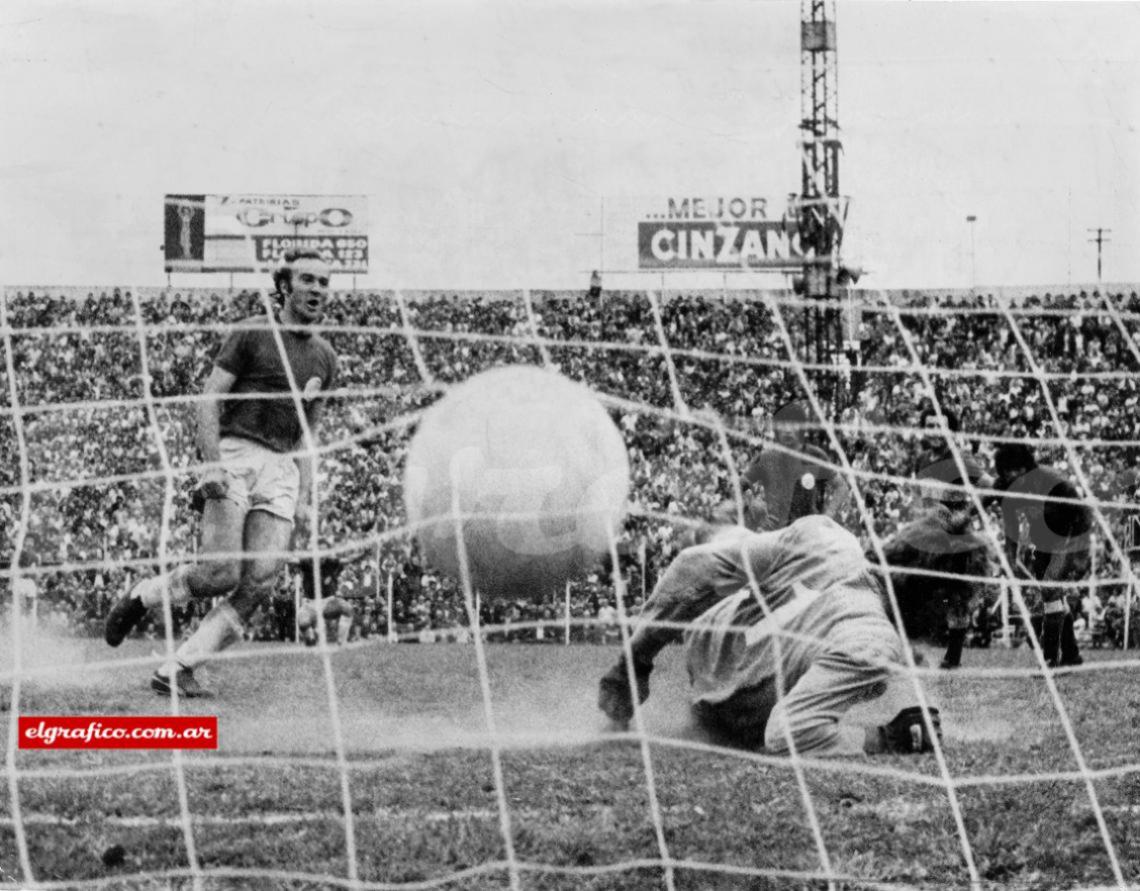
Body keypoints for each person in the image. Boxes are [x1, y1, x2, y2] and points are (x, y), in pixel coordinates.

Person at [104, 250, 339, 696]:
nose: (317, 289)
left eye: (324, 282)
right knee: (222, 574)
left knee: (262, 581)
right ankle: (145, 595)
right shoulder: (252, 333)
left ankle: (178, 669)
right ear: (285, 286)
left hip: (283, 469)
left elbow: (309, 432)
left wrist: (304, 492)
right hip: (236, 454)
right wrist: (210, 462)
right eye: (307, 279)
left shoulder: (326, 358)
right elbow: (209, 399)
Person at [597, 512, 943, 757]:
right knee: (734, 542)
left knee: (737, 543)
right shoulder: (876, 639)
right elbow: (786, 733)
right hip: (737, 721)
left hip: (709, 636)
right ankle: (718, 530)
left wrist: (633, 663)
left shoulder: (828, 537)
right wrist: (887, 738)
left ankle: (718, 530)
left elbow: (693, 565)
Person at [994, 443, 1092, 669]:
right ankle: (1071, 655)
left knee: (1049, 589)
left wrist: (1076, 554)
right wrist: (1010, 560)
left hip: (1070, 538)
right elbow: (1011, 527)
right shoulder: (1007, 488)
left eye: (1015, 469)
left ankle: (1050, 659)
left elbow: (1083, 517)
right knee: (1054, 597)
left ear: (1026, 467)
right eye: (1006, 471)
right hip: (1043, 544)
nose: (1011, 475)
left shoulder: (1053, 480)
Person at [738, 400, 843, 532]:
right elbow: (738, 485)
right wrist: (754, 510)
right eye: (783, 425)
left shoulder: (815, 456)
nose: (788, 430)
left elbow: (841, 486)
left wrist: (828, 516)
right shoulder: (766, 458)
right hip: (773, 534)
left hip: (807, 532)